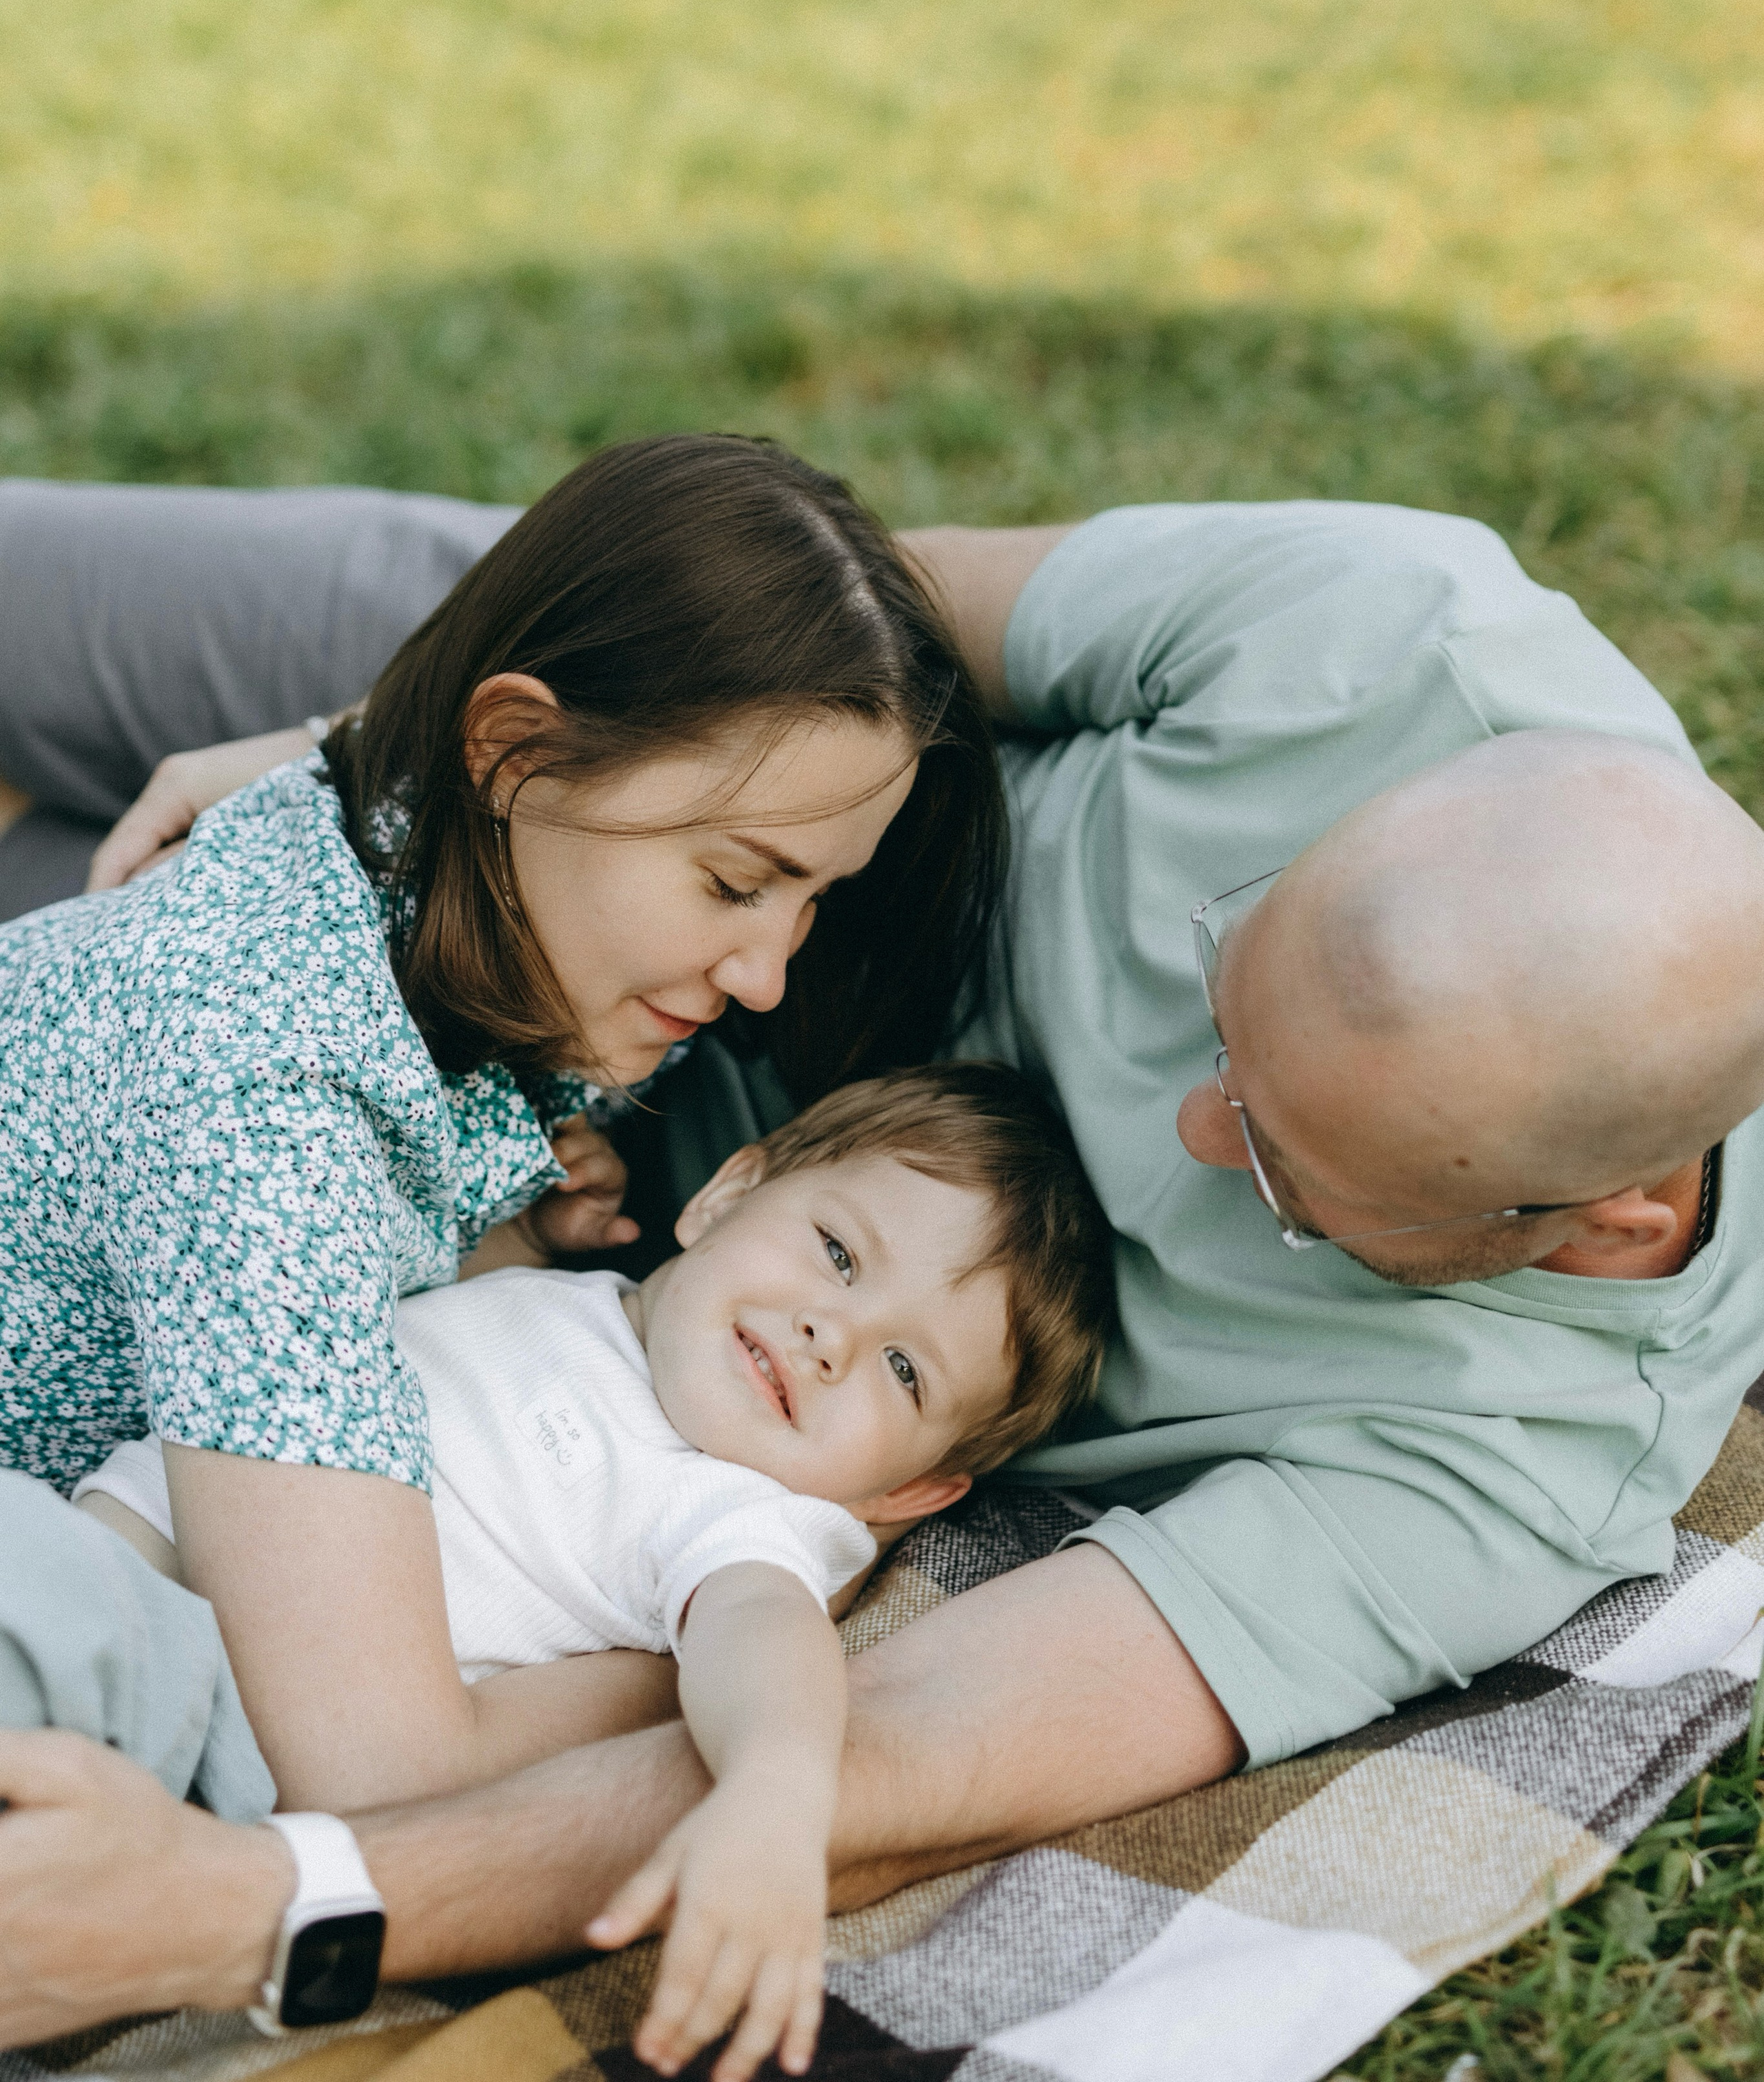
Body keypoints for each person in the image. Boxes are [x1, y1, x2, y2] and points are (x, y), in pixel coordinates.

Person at [8, 486, 1764, 2047]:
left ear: (1599, 1218)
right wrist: (385, 757)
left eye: (1289, 1174)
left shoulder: (1517, 1455)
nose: (1185, 1128)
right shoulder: (1389, 640)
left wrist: (273, 1907)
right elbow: (867, 633)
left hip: (526, 1132)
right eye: (1222, 1002)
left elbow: (903, 1753)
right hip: (659, 797)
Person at [0, 437, 1004, 1820]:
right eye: (731, 882)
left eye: (811, 900)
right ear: (516, 752)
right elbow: (375, 1765)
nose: (769, 973)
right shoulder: (255, 1093)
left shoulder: (450, 872)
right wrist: (713, 1632)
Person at [73, 1063, 1112, 2082]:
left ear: (911, 1492)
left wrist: (780, 1791)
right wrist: (518, 1240)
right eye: (838, 1253)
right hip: (122, 1543)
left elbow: (765, 1635)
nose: (830, 1335)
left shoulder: (738, 1510)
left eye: (904, 1371)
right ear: (725, 1195)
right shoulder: (587, 1302)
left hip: (182, 1664)